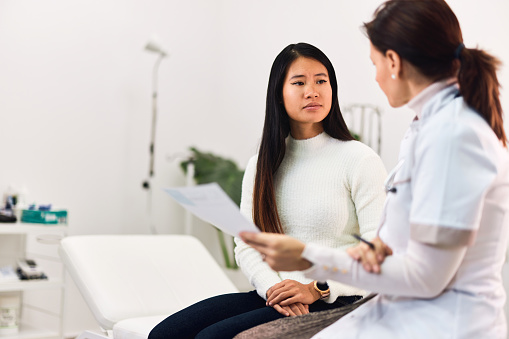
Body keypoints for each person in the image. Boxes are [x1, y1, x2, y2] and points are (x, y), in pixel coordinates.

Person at [239, 1, 509, 338]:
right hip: (400, 310)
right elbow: (408, 244)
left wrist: (310, 259)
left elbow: (428, 276)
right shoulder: (428, 128)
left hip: (441, 323)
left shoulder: (454, 137)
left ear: (393, 61)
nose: (376, 76)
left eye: (375, 63)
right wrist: (379, 247)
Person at [148, 42, 387, 339]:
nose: (312, 91)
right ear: (279, 94)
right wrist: (272, 288)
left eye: (321, 81)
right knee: (165, 334)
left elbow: (378, 253)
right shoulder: (263, 164)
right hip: (275, 294)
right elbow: (247, 244)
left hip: (335, 299)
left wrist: (317, 289)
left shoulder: (359, 160)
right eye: (299, 82)